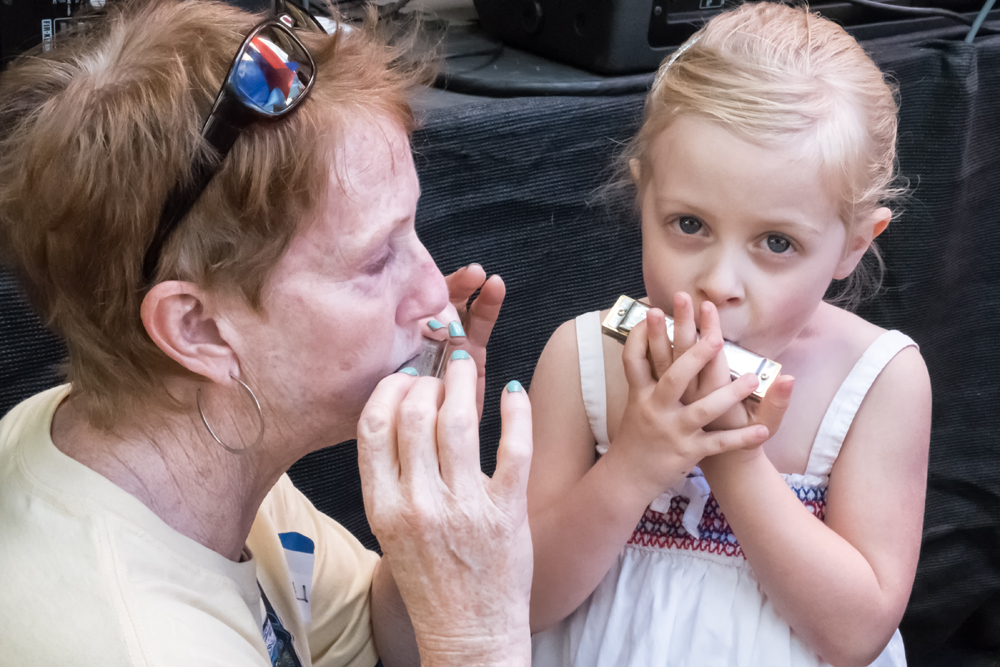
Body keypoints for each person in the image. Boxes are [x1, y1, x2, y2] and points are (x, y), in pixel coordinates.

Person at [0, 1, 533, 665]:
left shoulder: (176, 449)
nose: (433, 292)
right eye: (376, 259)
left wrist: (435, 524)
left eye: (412, 231)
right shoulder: (140, 644)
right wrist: (479, 636)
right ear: (198, 329)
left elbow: (362, 632)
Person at [527, 3, 931, 666]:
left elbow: (856, 634)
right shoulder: (582, 357)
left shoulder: (879, 379)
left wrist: (733, 461)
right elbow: (523, 598)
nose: (719, 283)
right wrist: (634, 465)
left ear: (855, 244)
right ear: (645, 198)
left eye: (777, 242)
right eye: (689, 224)